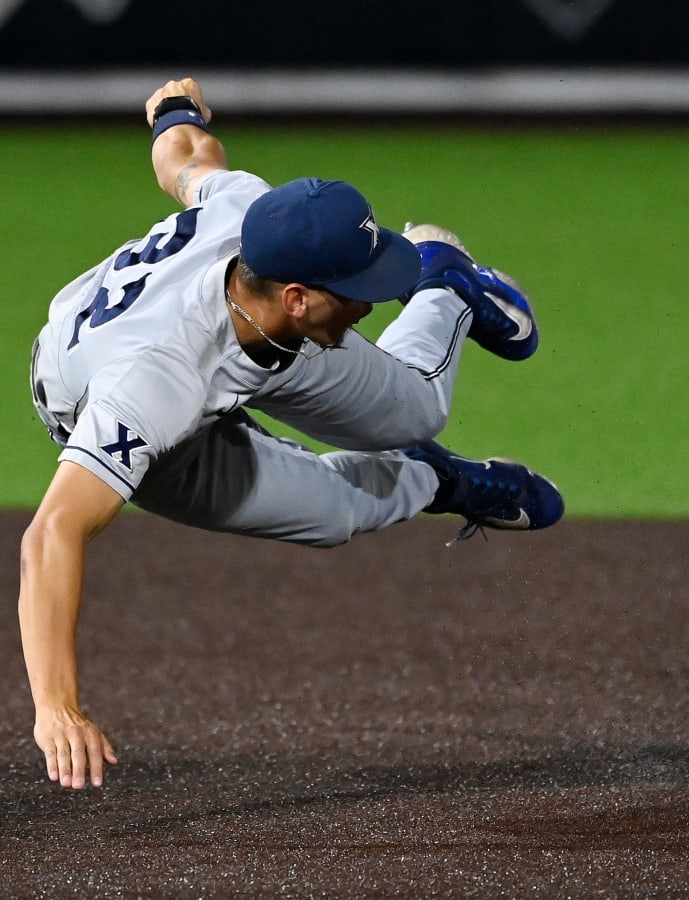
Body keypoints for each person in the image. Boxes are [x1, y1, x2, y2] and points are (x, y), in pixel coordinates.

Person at [20, 78, 564, 790]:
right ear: (300, 296)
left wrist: (172, 112)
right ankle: (443, 479)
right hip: (138, 417)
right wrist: (56, 706)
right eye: (358, 286)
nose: (371, 299)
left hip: (258, 341)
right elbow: (52, 532)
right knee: (332, 515)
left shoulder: (253, 215)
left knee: (417, 408)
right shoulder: (153, 385)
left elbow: (188, 157)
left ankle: (447, 283)